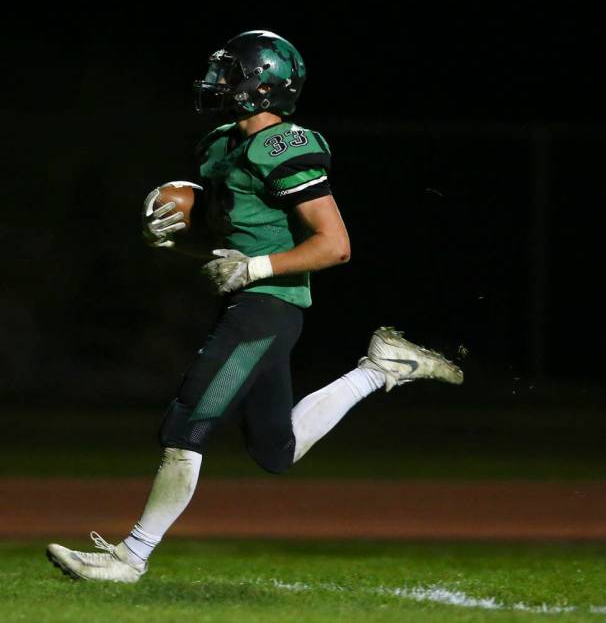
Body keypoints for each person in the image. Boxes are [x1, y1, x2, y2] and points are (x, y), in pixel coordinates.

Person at [46, 30, 463, 582]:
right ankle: (379, 369)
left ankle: (131, 556)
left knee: (187, 424)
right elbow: (228, 236)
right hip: (249, 301)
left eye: (230, 72)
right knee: (276, 450)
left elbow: (334, 246)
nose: (218, 81)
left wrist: (258, 268)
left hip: (269, 304)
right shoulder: (222, 144)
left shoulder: (284, 145)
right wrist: (172, 238)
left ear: (261, 85)